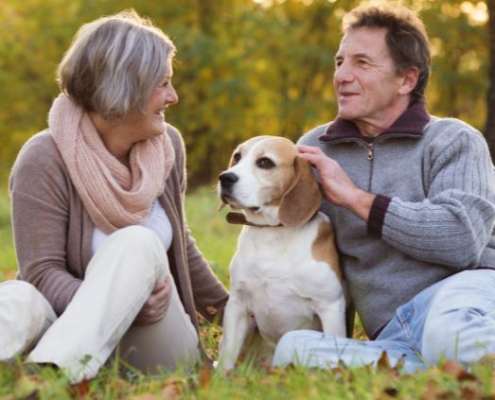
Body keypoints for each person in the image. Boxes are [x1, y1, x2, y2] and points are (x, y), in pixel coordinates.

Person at [1, 10, 228, 382]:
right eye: (163, 84)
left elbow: (181, 248)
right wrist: (121, 302)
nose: (174, 96)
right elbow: (41, 275)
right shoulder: (44, 158)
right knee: (15, 298)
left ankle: (51, 382)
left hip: (156, 343)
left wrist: (235, 317)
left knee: (136, 241)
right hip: (70, 331)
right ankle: (51, 368)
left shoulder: (167, 147)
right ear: (125, 88)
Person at [272, 3, 495, 373]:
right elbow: (295, 245)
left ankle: (456, 364)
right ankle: (444, 375)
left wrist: (355, 199)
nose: (342, 75)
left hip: (463, 297)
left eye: (361, 63)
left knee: (449, 336)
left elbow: (459, 240)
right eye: (339, 62)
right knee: (294, 351)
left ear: (407, 79)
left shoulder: (453, 139)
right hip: (391, 334)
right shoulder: (316, 147)